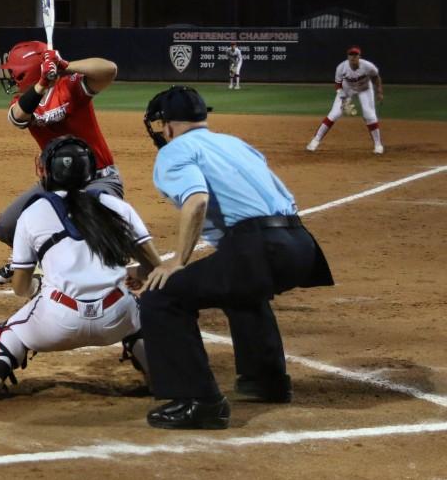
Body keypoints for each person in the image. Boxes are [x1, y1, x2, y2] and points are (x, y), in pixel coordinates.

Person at [138, 86, 333, 429]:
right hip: (301, 245)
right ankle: (266, 380)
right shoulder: (235, 144)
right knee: (239, 285)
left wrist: (177, 261)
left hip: (258, 248)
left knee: (160, 296)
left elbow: (195, 200)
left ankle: (199, 401)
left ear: (166, 126)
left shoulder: (174, 151)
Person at [0, 135, 162, 399]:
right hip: (115, 318)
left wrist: (37, 285)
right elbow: (155, 267)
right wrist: (135, 274)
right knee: (141, 321)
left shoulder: (33, 213)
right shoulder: (117, 206)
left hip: (58, 321)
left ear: (45, 170)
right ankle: (161, 376)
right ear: (91, 172)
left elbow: (20, 288)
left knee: (8, 332)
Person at [0, 42, 123, 284]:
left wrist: (65, 66)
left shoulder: (70, 88)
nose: (11, 76)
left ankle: (93, 261)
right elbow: (17, 118)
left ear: (25, 71)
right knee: (7, 226)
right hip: (56, 182)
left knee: (86, 218)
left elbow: (109, 70)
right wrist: (42, 84)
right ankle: (29, 259)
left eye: (14, 71)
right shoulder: (24, 101)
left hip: (99, 177)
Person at [307, 46, 384, 154]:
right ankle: (315, 140)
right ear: (348, 57)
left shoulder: (368, 66)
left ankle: (378, 145)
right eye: (351, 55)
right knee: (334, 114)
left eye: (355, 55)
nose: (353, 57)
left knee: (369, 114)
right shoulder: (341, 67)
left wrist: (379, 91)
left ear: (359, 57)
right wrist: (343, 98)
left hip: (365, 89)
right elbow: (338, 84)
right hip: (346, 89)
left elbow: (376, 77)